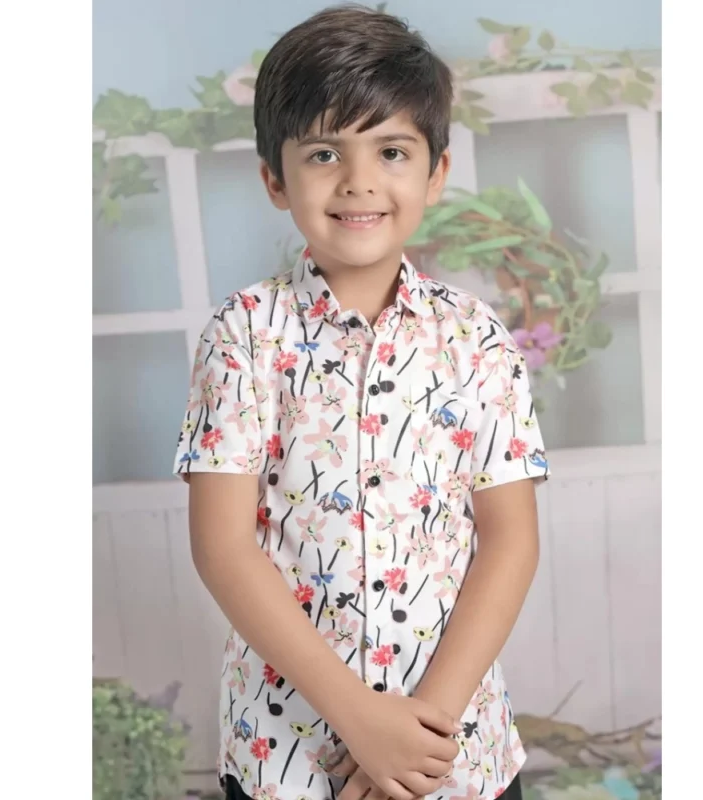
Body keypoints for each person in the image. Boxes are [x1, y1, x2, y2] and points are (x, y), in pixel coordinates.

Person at [173, 5, 549, 799]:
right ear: (276, 180)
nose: (359, 181)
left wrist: (417, 743)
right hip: (289, 761)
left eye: (392, 151)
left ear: (436, 173)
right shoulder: (244, 335)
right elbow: (223, 547)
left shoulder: (476, 338)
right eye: (323, 153)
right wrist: (361, 722)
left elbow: (510, 541)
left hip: (457, 759)